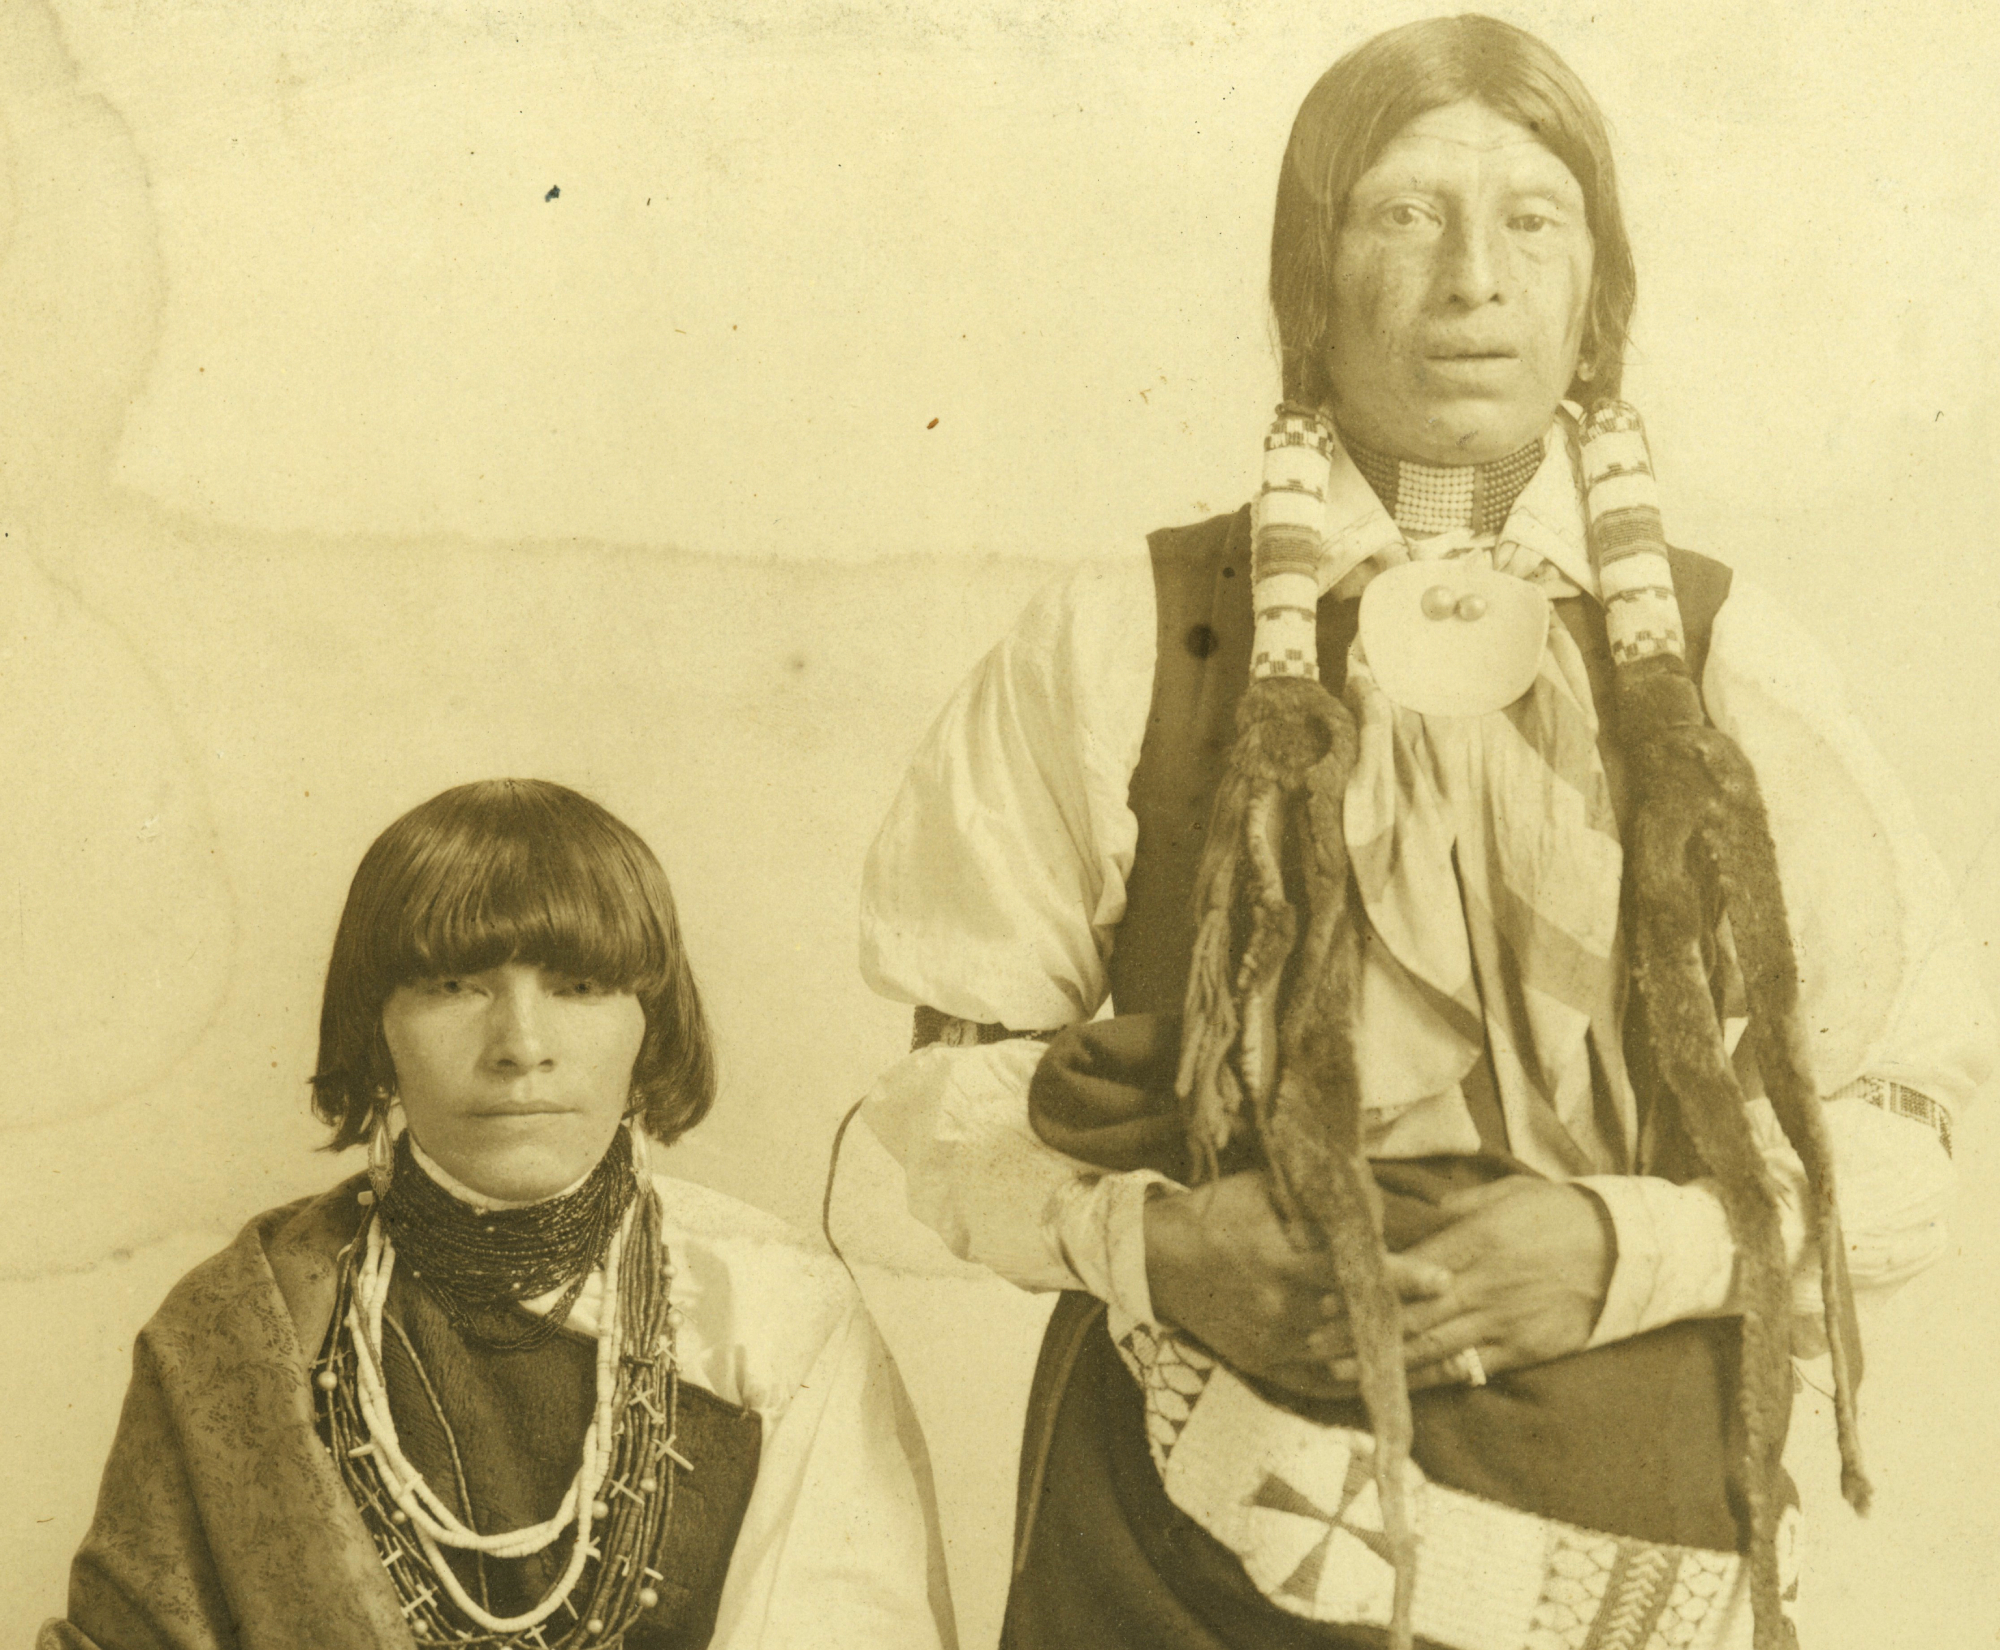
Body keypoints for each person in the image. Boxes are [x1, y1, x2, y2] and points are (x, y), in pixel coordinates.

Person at [855, 16, 1992, 1650]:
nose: (1474, 279)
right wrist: (1160, 1242)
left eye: (1533, 218)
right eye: (1404, 213)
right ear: (1306, 281)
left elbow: (1895, 1127)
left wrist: (1623, 1242)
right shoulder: (1130, 635)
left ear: (1597, 288)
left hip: (1634, 1527)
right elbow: (942, 1098)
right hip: (1183, 1540)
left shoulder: (1732, 663)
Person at [44, 779, 949, 1650]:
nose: (521, 1046)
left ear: (651, 1027)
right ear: (375, 1031)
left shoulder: (777, 1312)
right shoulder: (243, 1325)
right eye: (453, 985)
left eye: (580, 986)